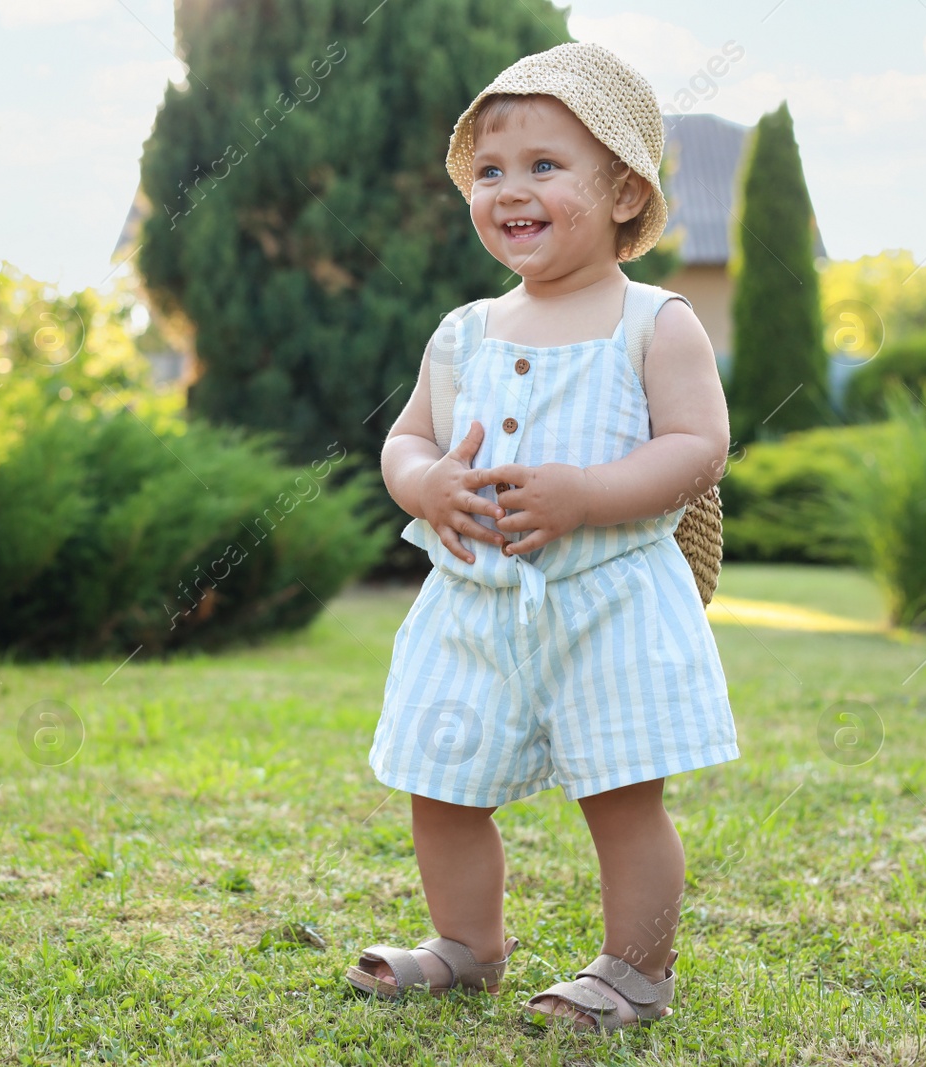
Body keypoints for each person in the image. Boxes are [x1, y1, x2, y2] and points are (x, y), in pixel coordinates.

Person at [344, 42, 739, 1032]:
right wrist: (426, 481)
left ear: (623, 191)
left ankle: (634, 970)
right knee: (439, 786)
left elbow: (699, 446)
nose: (507, 189)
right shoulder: (465, 330)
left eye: (542, 166)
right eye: (488, 170)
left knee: (620, 794)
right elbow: (407, 439)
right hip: (471, 609)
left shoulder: (654, 320)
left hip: (606, 601)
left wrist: (588, 492)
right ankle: (466, 943)